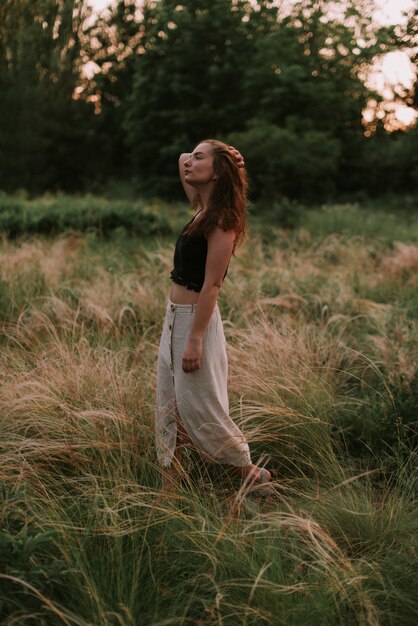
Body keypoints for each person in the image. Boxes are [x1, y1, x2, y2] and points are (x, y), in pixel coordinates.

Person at [155, 139, 271, 491]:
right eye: (191, 156)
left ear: (218, 172)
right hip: (174, 317)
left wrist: (195, 339)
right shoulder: (202, 207)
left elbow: (213, 286)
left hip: (194, 322)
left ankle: (254, 475)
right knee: (171, 407)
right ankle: (170, 489)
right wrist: (224, 156)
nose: (189, 162)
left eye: (199, 157)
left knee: (201, 410)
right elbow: (179, 159)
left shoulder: (223, 220)